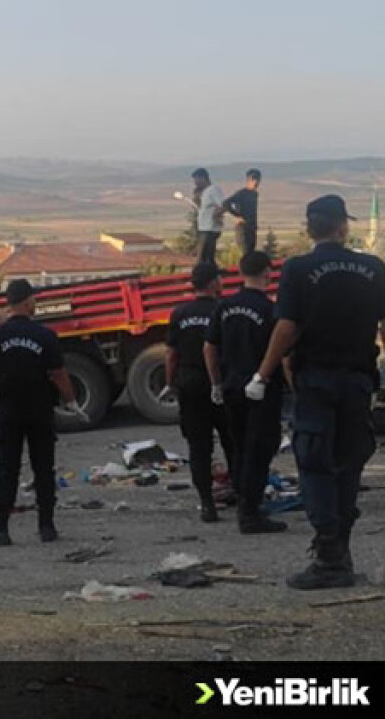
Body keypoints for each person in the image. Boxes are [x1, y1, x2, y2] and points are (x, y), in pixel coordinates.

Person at [248, 195, 384, 590]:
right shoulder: (374, 268)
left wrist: (262, 374)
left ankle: (328, 559)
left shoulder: (299, 269)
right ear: (343, 227)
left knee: (315, 466)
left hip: (317, 382)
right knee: (348, 465)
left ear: (310, 229)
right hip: (358, 382)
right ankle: (340, 551)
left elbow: (287, 327)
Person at [0, 280, 83, 546]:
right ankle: (47, 527)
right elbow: (58, 374)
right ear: (27, 301)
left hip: (9, 411)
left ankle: (0, 529)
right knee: (43, 468)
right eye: (34, 299)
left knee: (7, 469)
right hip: (40, 410)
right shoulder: (45, 335)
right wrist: (71, 401)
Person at [204, 251, 286, 534]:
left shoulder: (224, 307)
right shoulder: (269, 309)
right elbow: (282, 352)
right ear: (268, 272)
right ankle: (250, 513)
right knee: (260, 447)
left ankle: (245, 501)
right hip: (261, 388)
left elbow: (210, 347)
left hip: (232, 387)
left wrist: (216, 382)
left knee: (239, 446)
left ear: (239, 271)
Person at [164, 262, 235, 522]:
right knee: (233, 442)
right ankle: (242, 497)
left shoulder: (180, 313)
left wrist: (170, 383)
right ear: (214, 282)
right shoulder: (224, 309)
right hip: (221, 382)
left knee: (199, 447)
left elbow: (172, 354)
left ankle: (207, 504)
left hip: (191, 382)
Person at [191, 168, 226, 265]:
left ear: (203, 178)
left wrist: (217, 215)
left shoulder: (213, 190)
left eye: (197, 180)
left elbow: (223, 205)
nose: (195, 183)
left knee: (202, 257)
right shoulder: (204, 192)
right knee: (208, 257)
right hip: (203, 228)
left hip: (210, 229)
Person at [223, 169, 262, 255]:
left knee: (251, 253)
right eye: (253, 179)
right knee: (246, 254)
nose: (256, 182)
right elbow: (226, 203)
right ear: (248, 180)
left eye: (258, 180)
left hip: (252, 228)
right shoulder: (241, 193)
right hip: (242, 229)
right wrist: (236, 216)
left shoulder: (255, 194)